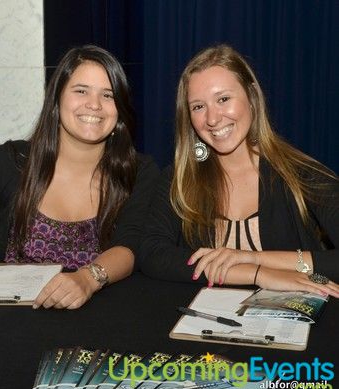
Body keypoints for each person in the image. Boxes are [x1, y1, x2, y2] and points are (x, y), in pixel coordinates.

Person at [0, 45, 159, 309]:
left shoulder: (139, 171)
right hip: (3, 317)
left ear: (119, 110)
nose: (94, 104)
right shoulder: (6, 162)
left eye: (108, 95)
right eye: (81, 91)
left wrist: (87, 278)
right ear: (56, 98)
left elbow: (130, 246)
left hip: (95, 318)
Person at [140, 44, 339, 297]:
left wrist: (253, 257)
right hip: (202, 327)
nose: (212, 119)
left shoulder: (301, 174)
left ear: (252, 98)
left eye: (223, 99)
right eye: (198, 107)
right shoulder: (179, 178)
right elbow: (151, 254)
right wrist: (256, 273)